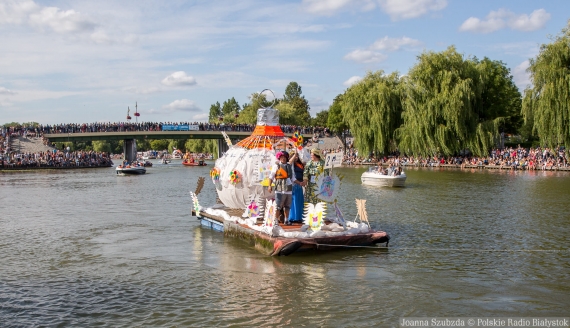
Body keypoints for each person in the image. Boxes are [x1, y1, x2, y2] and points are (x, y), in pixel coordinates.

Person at [268, 151, 295, 225]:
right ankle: (275, 220)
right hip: (279, 189)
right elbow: (271, 177)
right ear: (279, 158)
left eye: (284, 157)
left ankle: (286, 220)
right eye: (282, 157)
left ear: (286, 158)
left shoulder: (289, 166)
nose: (283, 158)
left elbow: (293, 178)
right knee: (278, 206)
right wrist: (269, 185)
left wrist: (301, 183)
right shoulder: (276, 166)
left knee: (287, 206)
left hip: (288, 189)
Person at [288, 150, 305, 223]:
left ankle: (299, 217)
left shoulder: (300, 164)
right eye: (295, 156)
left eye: (297, 156)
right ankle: (293, 217)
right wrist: (294, 155)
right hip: (293, 184)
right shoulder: (290, 165)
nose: (296, 157)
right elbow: (289, 163)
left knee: (299, 201)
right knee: (293, 201)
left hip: (300, 185)